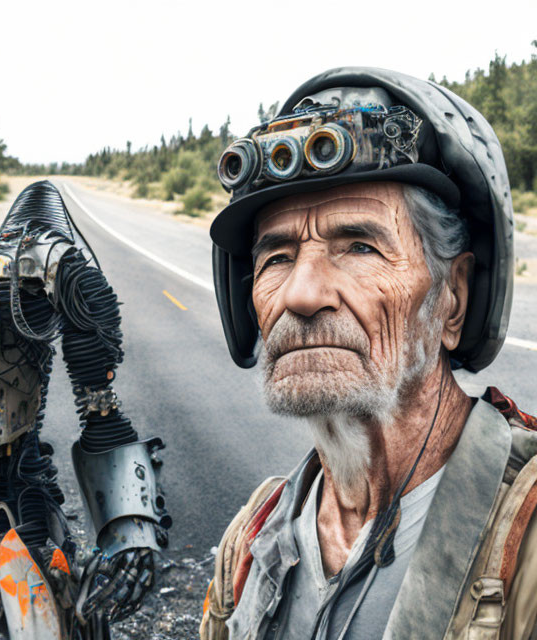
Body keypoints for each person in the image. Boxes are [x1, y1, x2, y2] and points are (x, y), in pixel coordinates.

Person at [199, 68, 537, 639]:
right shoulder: (251, 541)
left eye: (359, 246)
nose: (301, 295)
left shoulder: (526, 542)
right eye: (276, 257)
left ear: (452, 299)